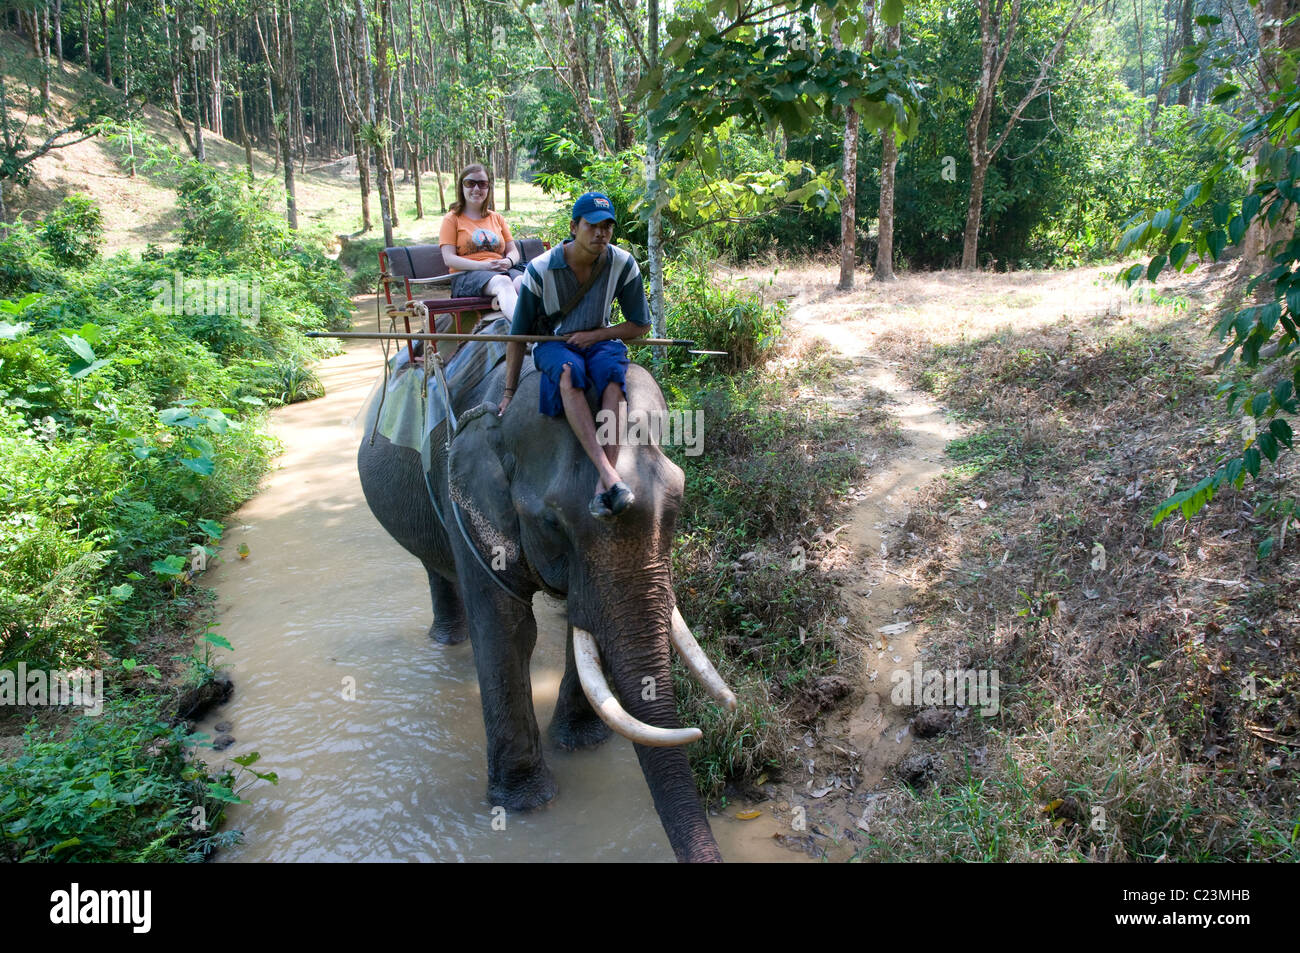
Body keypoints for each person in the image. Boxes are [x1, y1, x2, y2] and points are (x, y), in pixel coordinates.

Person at [498, 192, 651, 520]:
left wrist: (596, 335)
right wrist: (508, 393)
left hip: (600, 338)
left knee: (613, 379)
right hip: (555, 343)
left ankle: (602, 485)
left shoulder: (622, 263)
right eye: (592, 225)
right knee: (569, 373)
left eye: (608, 226)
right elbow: (518, 336)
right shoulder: (540, 270)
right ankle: (611, 475)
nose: (601, 233)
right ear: (574, 227)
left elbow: (641, 324)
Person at [438, 164, 524, 320]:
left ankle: (548, 330)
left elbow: (513, 251)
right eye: (470, 183)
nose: (476, 189)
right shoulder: (452, 218)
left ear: (488, 188)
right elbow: (449, 258)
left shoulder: (496, 218)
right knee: (503, 283)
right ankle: (524, 332)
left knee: (523, 282)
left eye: (482, 184)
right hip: (467, 275)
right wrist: (483, 266)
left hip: (499, 269)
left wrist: (509, 261)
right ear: (461, 187)